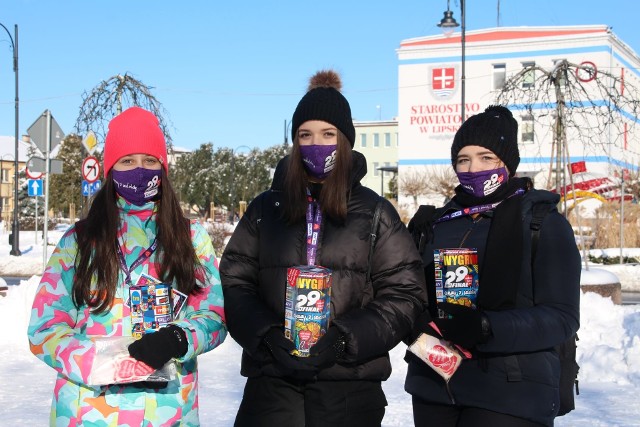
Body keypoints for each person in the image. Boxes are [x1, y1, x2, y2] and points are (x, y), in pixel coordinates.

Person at [220, 69, 427, 427]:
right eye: (306, 135)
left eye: (328, 134)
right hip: (272, 386)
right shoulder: (265, 209)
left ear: (345, 141)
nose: (316, 143)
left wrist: (344, 339)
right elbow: (234, 283)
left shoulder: (376, 212)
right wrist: (266, 336)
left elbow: (405, 294)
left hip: (348, 389)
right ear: (294, 142)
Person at [27, 106, 226, 426]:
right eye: (128, 161)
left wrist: (179, 338)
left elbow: (214, 317)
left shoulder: (190, 239)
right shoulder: (78, 242)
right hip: (89, 412)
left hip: (167, 412)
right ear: (111, 169)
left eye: (150, 161)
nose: (140, 170)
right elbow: (44, 329)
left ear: (163, 168)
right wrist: (94, 362)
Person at [404, 105, 581, 427]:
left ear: (507, 164)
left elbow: (561, 317)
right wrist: (412, 320)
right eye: (463, 159)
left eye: (486, 158)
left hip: (510, 393)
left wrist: (487, 327)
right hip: (435, 384)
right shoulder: (437, 222)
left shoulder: (541, 222)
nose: (473, 168)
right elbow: (408, 291)